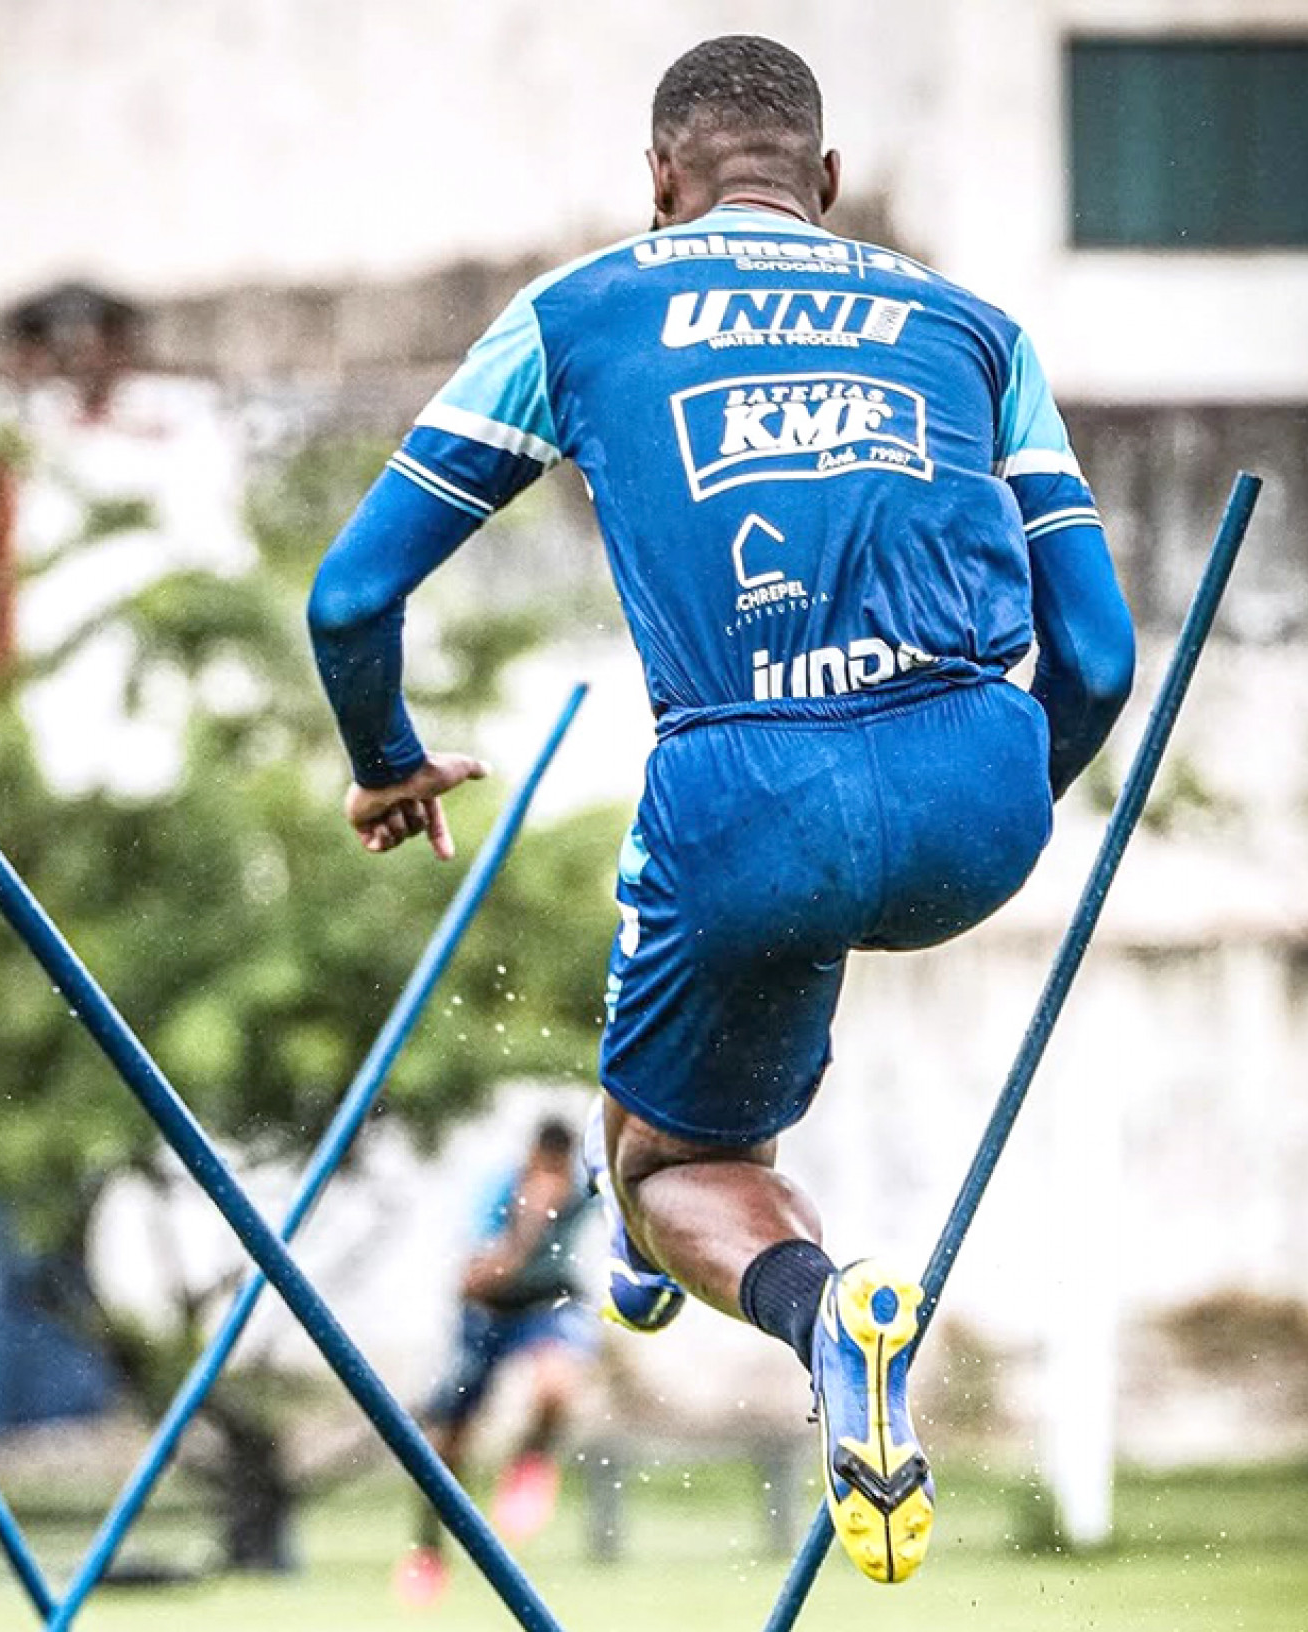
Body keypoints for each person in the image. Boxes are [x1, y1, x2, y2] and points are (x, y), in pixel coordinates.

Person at [309, 35, 1134, 1587]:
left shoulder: (577, 311)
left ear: (657, 180)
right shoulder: (973, 328)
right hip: (975, 793)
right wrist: (983, 808)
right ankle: (651, 1258)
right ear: (825, 180)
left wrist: (385, 754)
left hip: (748, 796)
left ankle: (810, 1309)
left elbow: (348, 598)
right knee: (698, 1066)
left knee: (659, 1165)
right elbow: (1094, 655)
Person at [394, 1116, 596, 1608]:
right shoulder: (498, 1193)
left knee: (557, 1387)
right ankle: (427, 1549)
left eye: (561, 1172)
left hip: (548, 1303)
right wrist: (527, 1228)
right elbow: (477, 1276)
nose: (553, 1183)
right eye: (545, 1170)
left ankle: (530, 1463)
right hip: (488, 1312)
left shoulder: (581, 1190)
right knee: (447, 1445)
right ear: (530, 1160)